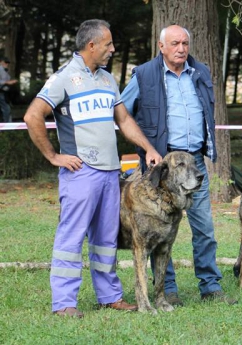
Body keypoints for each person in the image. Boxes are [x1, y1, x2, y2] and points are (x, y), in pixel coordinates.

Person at [23, 19, 161, 318]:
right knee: (70, 238)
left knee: (106, 238)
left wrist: (149, 148)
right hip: (80, 173)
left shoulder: (108, 80)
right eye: (108, 44)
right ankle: (64, 303)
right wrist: (53, 157)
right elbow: (33, 115)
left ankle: (109, 296)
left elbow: (124, 120)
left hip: (110, 173)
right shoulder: (63, 77)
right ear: (91, 45)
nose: (112, 49)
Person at [121, 24, 237, 306]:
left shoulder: (201, 72)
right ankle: (166, 290)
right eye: (174, 43)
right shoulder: (145, 74)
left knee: (204, 227)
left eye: (185, 43)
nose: (181, 48)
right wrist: (147, 148)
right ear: (161, 46)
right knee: (160, 229)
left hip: (193, 163)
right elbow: (121, 113)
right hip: (162, 167)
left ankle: (210, 286)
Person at [0, 57, 18, 122]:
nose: (7, 64)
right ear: (1, 62)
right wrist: (7, 82)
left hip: (4, 93)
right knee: (6, 109)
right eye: (5, 62)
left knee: (6, 109)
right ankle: (7, 126)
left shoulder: (5, 70)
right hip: (1, 92)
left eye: (7, 63)